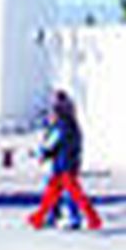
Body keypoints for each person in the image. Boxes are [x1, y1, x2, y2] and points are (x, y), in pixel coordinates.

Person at [27, 90, 102, 231]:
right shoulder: (70, 124)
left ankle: (89, 219)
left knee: (73, 195)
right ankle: (39, 217)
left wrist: (41, 153)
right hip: (64, 165)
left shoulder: (62, 125)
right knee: (52, 193)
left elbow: (52, 143)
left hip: (65, 166)